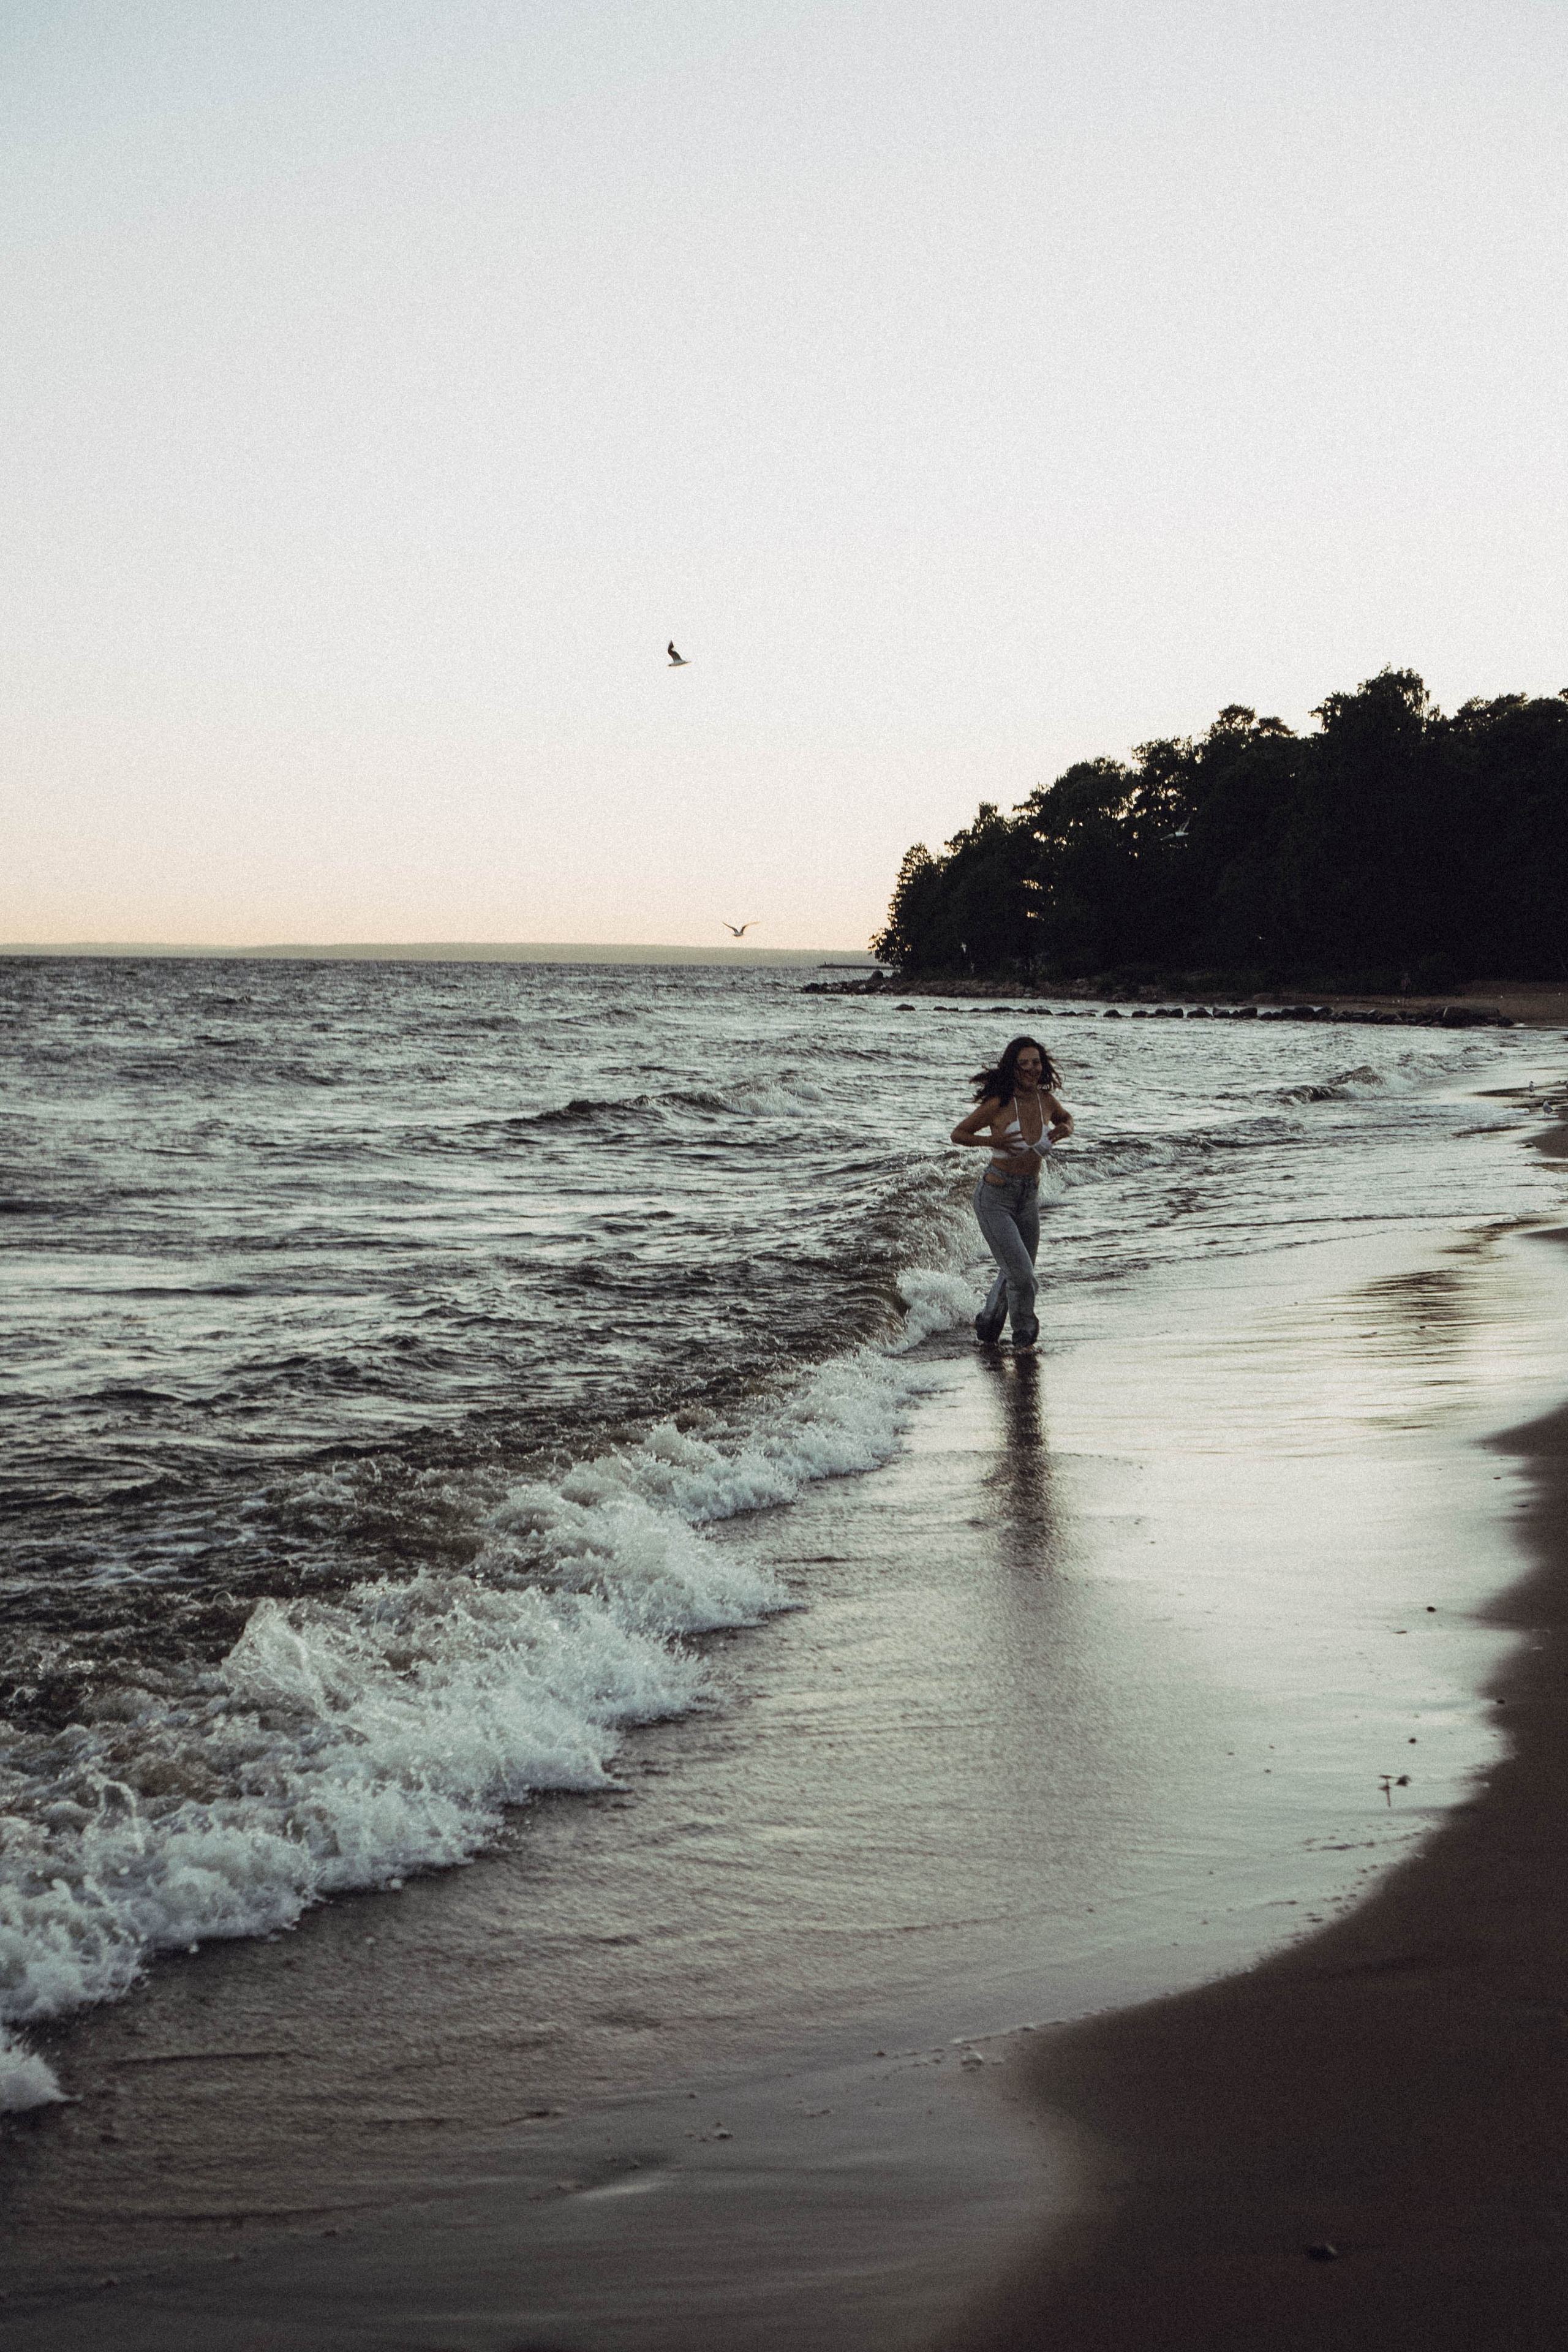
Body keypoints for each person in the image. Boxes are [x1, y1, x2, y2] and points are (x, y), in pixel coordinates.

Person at [949, 1035, 1072, 1349]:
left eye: (1036, 1062)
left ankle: (989, 1324)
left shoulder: (1046, 1101)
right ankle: (1024, 1339)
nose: (1032, 1069)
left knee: (1016, 1270)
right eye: (1024, 1064)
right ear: (1013, 1069)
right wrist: (992, 1142)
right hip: (995, 1197)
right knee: (1022, 1274)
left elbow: (1066, 1119)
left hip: (1028, 1197)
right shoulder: (999, 1104)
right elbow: (959, 1134)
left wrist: (1066, 1129)